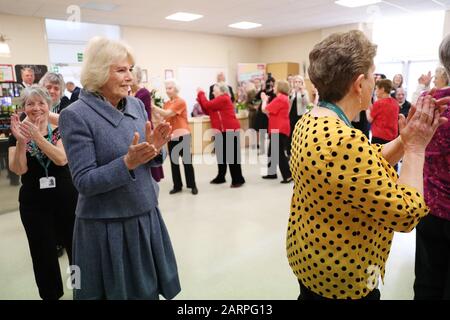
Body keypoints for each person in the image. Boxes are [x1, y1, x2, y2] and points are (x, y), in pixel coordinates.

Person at [287, 30, 447, 300]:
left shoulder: (312, 121)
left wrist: (403, 140)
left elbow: (365, 160)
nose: (375, 82)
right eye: (374, 76)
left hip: (313, 264)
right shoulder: (343, 141)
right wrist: (416, 148)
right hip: (343, 280)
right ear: (359, 84)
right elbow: (407, 214)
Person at [58, 37, 180, 300]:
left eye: (131, 70)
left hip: (145, 215)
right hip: (106, 226)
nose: (130, 78)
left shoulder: (135, 105)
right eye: (121, 70)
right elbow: (84, 181)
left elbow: (146, 156)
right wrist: (127, 162)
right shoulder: (76, 115)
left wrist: (154, 147)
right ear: (99, 71)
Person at [8, 85, 77, 300]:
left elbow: (61, 158)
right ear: (23, 107)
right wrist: (21, 142)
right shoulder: (18, 133)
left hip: (66, 200)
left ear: (49, 105)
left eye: (41, 103)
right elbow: (19, 169)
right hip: (34, 204)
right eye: (30, 103)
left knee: (77, 249)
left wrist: (37, 137)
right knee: (42, 253)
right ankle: (50, 294)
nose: (36, 108)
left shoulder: (61, 128)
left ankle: (81, 288)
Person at [413, 34, 450, 300]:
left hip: (432, 209)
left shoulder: (430, 103)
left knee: (428, 280)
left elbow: (413, 142)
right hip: (434, 207)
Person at [153, 79, 198, 195]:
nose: (167, 91)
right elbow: (163, 118)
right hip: (171, 136)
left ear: (176, 89)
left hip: (183, 135)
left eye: (170, 88)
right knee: (174, 162)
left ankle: (192, 185)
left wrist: (152, 106)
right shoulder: (167, 103)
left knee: (187, 162)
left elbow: (167, 113)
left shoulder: (180, 102)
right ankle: (177, 186)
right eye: (166, 88)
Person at [197, 82, 245, 188]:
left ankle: (238, 179)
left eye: (215, 89)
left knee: (232, 157)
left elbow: (207, 105)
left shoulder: (224, 98)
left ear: (222, 90)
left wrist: (201, 93)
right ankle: (221, 177)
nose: (213, 92)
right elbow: (206, 110)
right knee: (221, 156)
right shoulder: (217, 101)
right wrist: (200, 98)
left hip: (229, 130)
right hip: (220, 131)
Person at [131, 66, 164, 183]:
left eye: (131, 74)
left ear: (138, 77)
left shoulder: (143, 92)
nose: (128, 77)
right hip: (133, 130)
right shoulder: (129, 92)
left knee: (148, 161)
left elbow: (145, 116)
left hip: (144, 129)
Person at [261, 80, 292, 183]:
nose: (273, 88)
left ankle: (287, 175)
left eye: (275, 86)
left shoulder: (280, 98)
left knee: (278, 153)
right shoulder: (282, 98)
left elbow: (265, 109)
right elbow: (270, 113)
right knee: (271, 152)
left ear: (280, 88)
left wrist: (264, 100)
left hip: (279, 128)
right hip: (278, 127)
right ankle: (271, 173)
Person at [366, 79, 400, 146]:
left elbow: (369, 119)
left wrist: (367, 109)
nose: (375, 91)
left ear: (382, 89)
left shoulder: (378, 103)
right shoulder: (395, 103)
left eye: (376, 89)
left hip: (378, 137)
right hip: (392, 138)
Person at [288, 75, 310, 151]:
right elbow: (289, 102)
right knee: (291, 131)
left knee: (299, 132)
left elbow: (307, 104)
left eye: (299, 82)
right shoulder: (292, 91)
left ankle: (299, 148)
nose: (297, 83)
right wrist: (291, 95)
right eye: (296, 82)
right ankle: (290, 148)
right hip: (291, 114)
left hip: (300, 114)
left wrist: (302, 92)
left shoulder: (305, 92)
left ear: (302, 83)